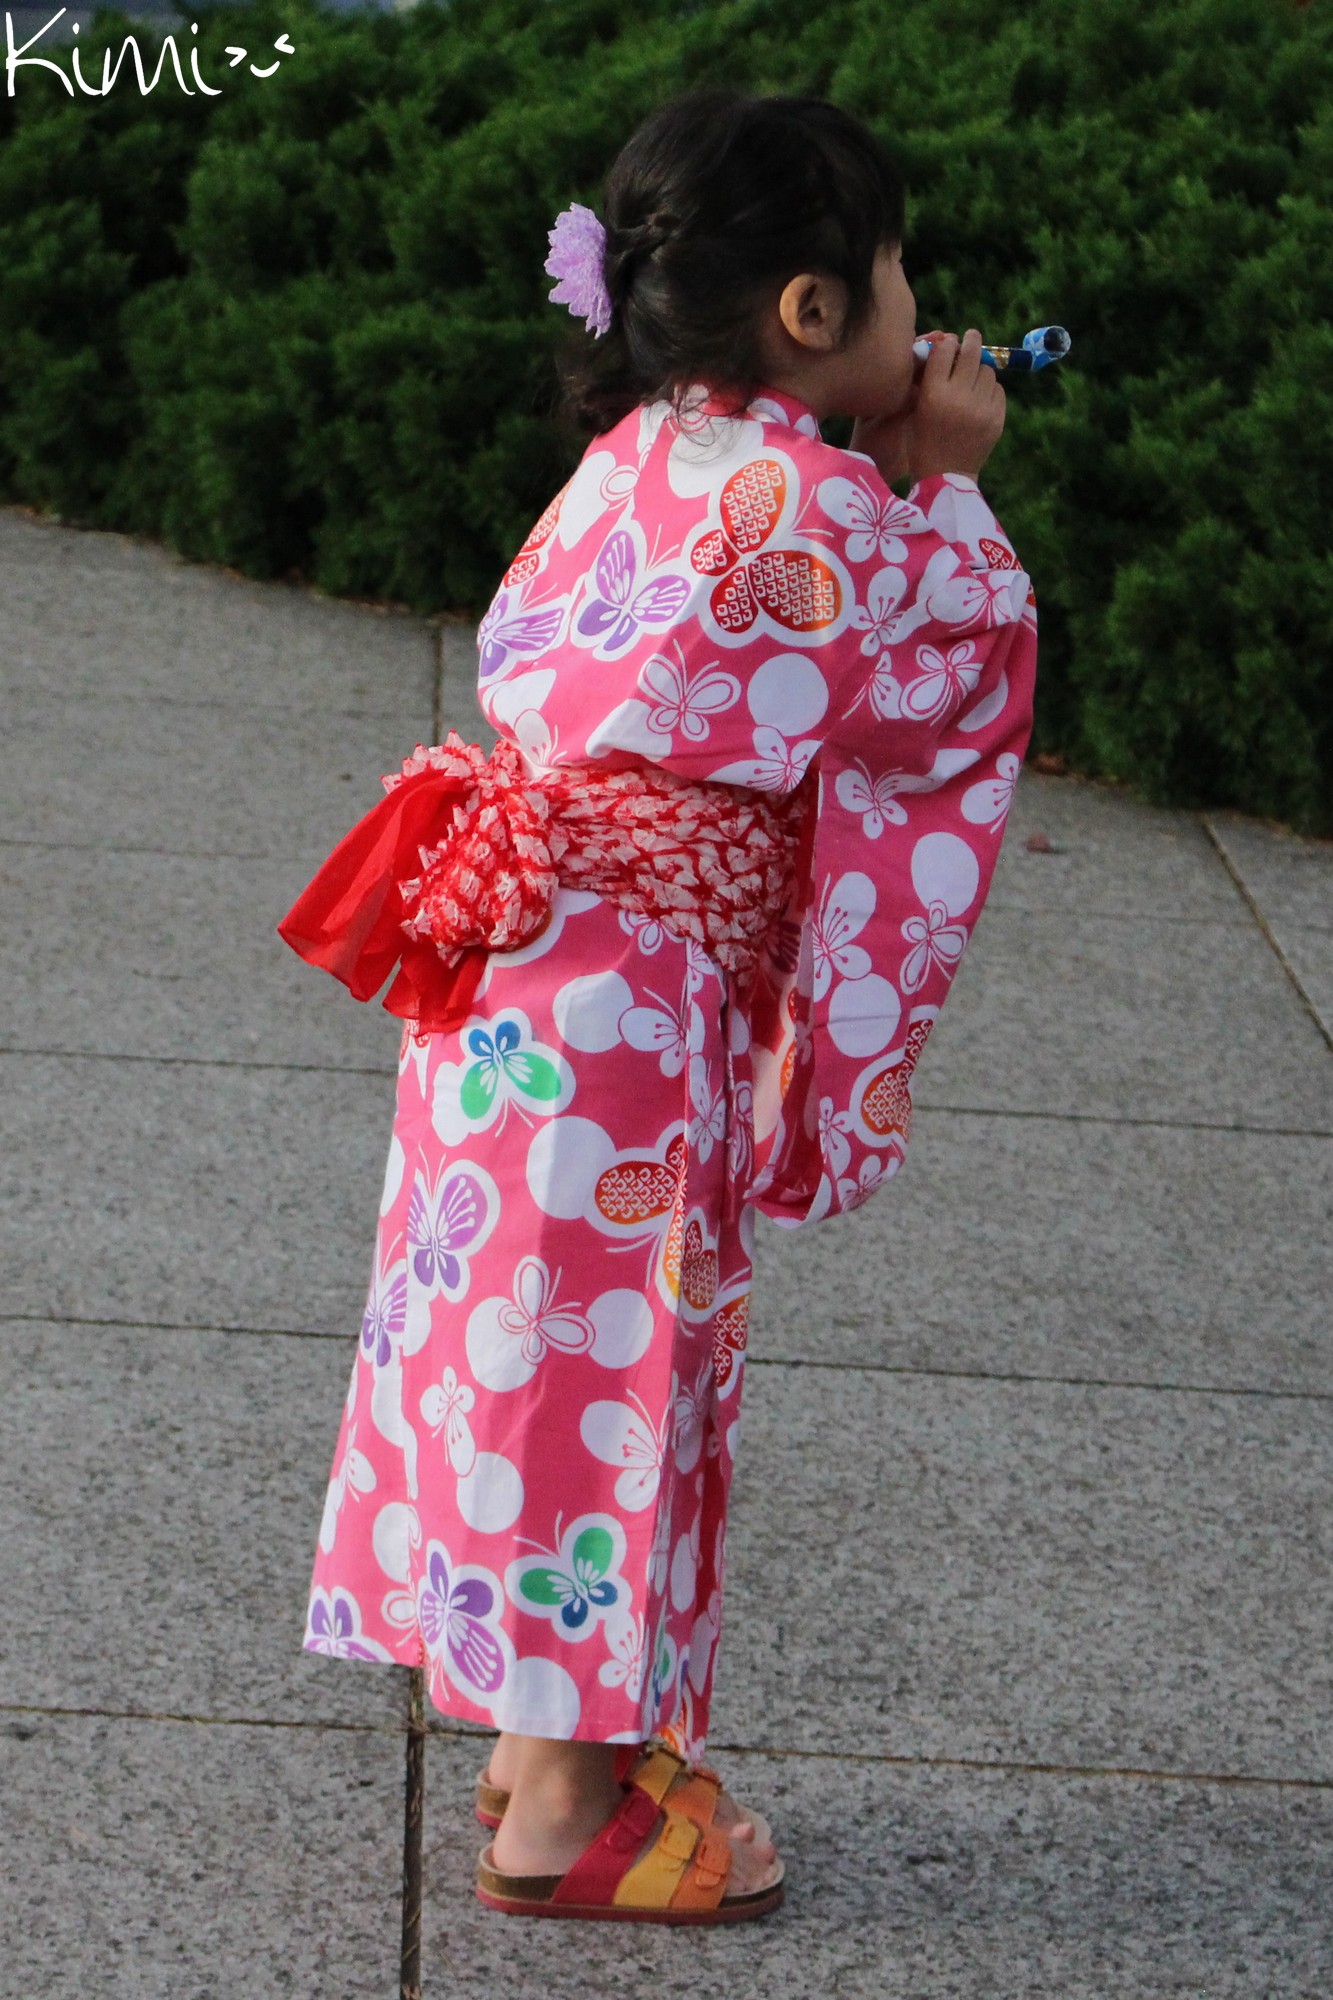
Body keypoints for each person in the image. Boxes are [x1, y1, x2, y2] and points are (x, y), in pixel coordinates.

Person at [280, 88, 1037, 1925]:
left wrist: (886, 478)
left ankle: (552, 1739)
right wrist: (943, 480)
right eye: (894, 272)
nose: (917, 306)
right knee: (601, 1361)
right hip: (618, 1010)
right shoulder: (814, 500)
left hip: (521, 978)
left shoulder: (650, 451)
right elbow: (936, 683)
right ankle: (555, 1807)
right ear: (810, 311)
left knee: (512, 1342)